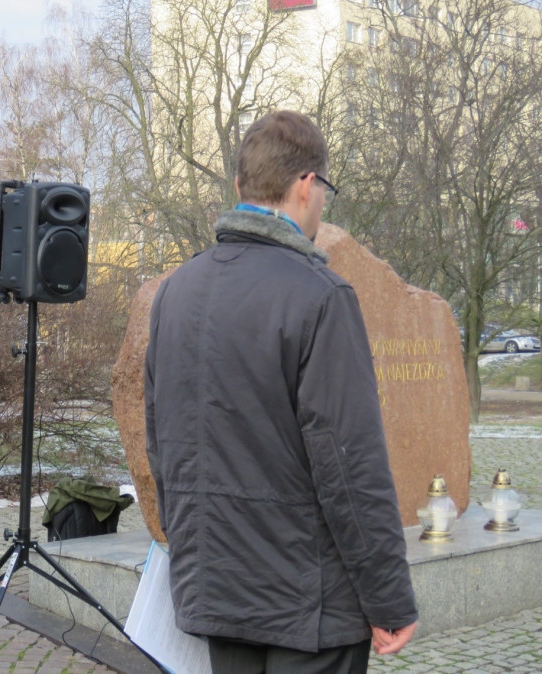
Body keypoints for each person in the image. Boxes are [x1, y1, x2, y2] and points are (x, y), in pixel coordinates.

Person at [144, 111, 418, 674]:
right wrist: (389, 598)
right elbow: (350, 464)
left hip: (216, 588)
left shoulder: (176, 291)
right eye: (324, 192)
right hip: (307, 602)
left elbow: (161, 443)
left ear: (241, 186)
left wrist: (192, 549)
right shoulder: (321, 296)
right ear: (306, 185)